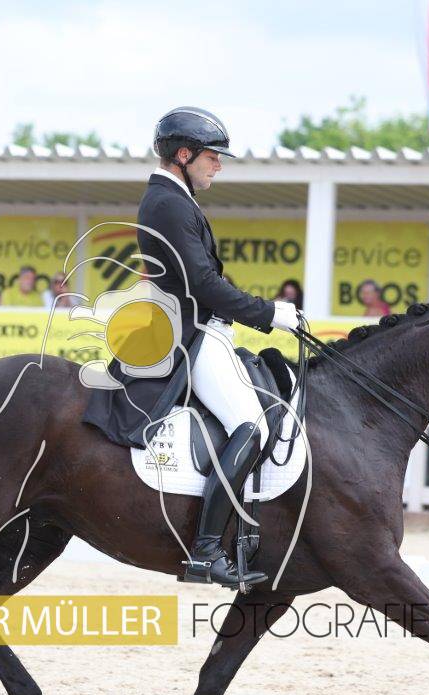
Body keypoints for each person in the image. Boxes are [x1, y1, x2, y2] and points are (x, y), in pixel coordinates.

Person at [81, 106, 301, 589]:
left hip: (201, 326)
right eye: (212, 156)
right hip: (190, 332)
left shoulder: (174, 199)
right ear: (184, 155)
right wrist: (270, 313)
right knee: (252, 425)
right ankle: (206, 550)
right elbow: (202, 283)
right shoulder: (169, 203)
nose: (218, 165)